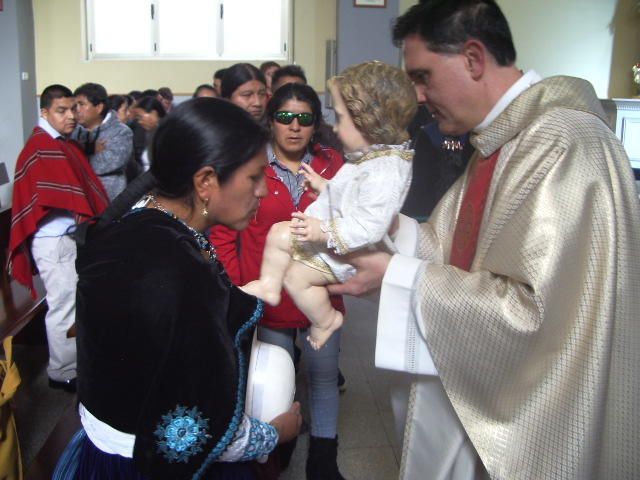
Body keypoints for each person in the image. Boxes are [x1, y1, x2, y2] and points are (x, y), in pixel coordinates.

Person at [328, 1, 640, 479]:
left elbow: (543, 319)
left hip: (534, 419)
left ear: (473, 58)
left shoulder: (565, 142)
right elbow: (460, 251)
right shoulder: (503, 138)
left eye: (423, 76)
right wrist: (398, 232)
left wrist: (398, 276)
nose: (416, 96)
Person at [68, 98, 302, 479]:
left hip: (102, 443)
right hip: (142, 463)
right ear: (206, 181)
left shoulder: (137, 221)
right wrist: (274, 434)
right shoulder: (183, 274)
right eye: (254, 177)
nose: (262, 191)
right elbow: (197, 423)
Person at [210, 83, 346, 480]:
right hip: (268, 297)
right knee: (273, 379)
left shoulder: (332, 165)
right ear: (271, 121)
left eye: (304, 118)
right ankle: (276, 446)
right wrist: (236, 289)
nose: (294, 127)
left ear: (315, 124)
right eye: (285, 117)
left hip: (320, 294)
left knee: (323, 376)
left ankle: (324, 458)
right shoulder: (250, 163)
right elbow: (224, 235)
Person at [242, 61, 416, 350]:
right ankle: (270, 287)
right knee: (278, 234)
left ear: (367, 121)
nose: (335, 126)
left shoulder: (385, 169)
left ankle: (325, 320)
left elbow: (369, 226)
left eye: (341, 117)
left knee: (297, 277)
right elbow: (352, 195)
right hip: (333, 243)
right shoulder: (368, 159)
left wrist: (322, 230)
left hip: (350, 250)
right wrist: (324, 187)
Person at [7, 84, 109, 393]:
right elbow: (56, 192)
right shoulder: (42, 147)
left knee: (74, 303)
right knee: (63, 304)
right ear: (45, 112)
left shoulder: (61, 143)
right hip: (54, 241)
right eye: (62, 111)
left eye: (73, 109)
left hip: (67, 238)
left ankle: (75, 364)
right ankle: (61, 371)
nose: (71, 116)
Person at [72, 82, 133, 200]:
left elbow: (107, 164)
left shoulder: (121, 132)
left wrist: (80, 152)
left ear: (99, 107)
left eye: (82, 104)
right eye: (75, 105)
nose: (77, 110)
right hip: (79, 198)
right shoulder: (74, 130)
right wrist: (92, 149)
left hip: (109, 199)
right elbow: (65, 163)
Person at [133, 96, 166, 171]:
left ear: (153, 113)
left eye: (140, 117)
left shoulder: (167, 133)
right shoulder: (150, 133)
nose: (139, 121)